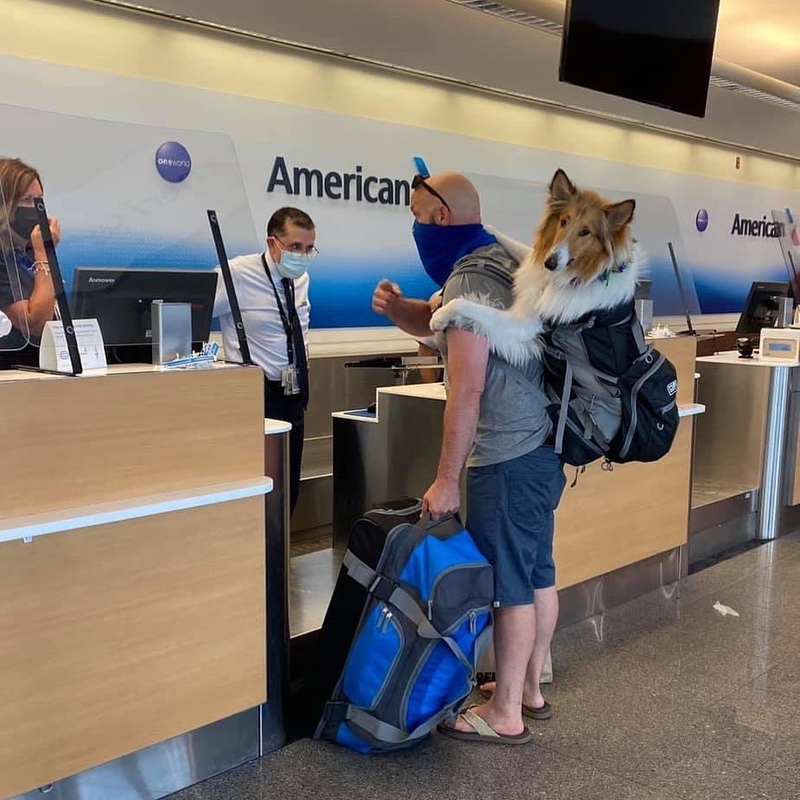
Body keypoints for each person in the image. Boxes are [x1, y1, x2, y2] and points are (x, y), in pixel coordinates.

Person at [372, 172, 565, 745]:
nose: (413, 228)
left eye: (414, 215)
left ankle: (504, 714)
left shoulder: (469, 280)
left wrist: (445, 479)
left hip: (504, 454)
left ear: (435, 218)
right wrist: (399, 309)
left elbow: (467, 388)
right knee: (536, 573)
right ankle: (528, 689)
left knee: (509, 585)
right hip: (542, 446)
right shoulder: (502, 264)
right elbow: (442, 329)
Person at [213, 206, 317, 516]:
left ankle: (281, 557)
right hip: (256, 396)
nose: (302, 255)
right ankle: (257, 558)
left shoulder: (301, 278)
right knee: (259, 486)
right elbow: (194, 312)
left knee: (289, 484)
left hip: (293, 394)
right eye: (295, 247)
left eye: (309, 248)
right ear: (272, 243)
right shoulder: (237, 274)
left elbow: (298, 332)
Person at [0, 157, 62, 369]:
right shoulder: (5, 258)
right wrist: (44, 253)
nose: (36, 209)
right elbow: (34, 324)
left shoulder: (25, 253)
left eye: (39, 201)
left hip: (38, 367)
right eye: (27, 200)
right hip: (10, 371)